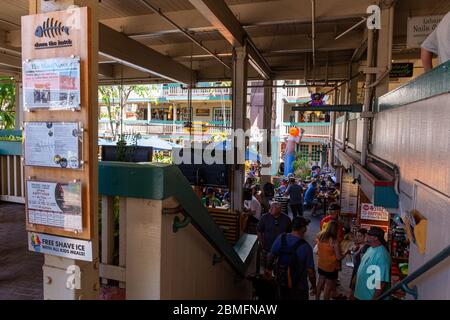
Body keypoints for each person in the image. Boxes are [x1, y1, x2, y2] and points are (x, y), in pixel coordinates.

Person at [266, 217, 317, 300]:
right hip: (300, 287)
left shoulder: (281, 238)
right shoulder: (306, 247)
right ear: (304, 229)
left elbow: (271, 255)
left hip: (281, 282)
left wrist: (268, 269)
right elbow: (311, 272)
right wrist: (314, 286)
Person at [354, 227, 391, 300]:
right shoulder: (370, 248)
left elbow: (381, 281)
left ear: (375, 238)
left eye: (369, 235)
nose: (367, 236)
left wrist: (374, 298)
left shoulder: (382, 256)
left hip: (369, 297)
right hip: (362, 295)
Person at [257, 202, 292, 271]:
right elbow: (259, 230)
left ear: (279, 210)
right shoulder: (264, 217)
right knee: (267, 266)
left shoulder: (287, 219)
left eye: (273, 208)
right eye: (270, 207)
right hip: (267, 247)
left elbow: (289, 233)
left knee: (280, 267)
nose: (270, 209)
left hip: (281, 248)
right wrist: (261, 242)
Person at [315, 221, 343, 300]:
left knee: (320, 282)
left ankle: (317, 298)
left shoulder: (320, 236)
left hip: (321, 264)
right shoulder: (334, 241)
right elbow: (338, 257)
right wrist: (345, 253)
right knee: (328, 286)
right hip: (331, 267)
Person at [348, 228, 370, 299]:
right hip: (356, 270)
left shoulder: (365, 248)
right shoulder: (359, 246)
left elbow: (363, 264)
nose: (358, 238)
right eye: (357, 236)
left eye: (360, 236)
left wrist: (356, 276)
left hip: (359, 273)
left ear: (365, 236)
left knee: (353, 294)